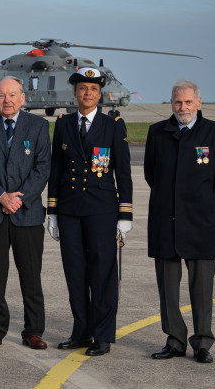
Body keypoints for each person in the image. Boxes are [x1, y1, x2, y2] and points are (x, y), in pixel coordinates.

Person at [145, 80, 215, 364]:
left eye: (187, 102)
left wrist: (207, 206)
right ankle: (174, 341)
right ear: (171, 103)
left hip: (202, 224)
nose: (182, 108)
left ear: (199, 102)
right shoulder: (158, 132)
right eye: (177, 102)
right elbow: (152, 174)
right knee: (168, 290)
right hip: (166, 223)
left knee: (202, 289)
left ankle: (202, 343)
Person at [47, 67, 132, 356]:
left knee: (102, 274)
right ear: (74, 92)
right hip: (70, 209)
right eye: (82, 88)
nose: (87, 93)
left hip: (101, 209)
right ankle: (81, 331)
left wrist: (125, 213)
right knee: (75, 273)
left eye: (93, 89)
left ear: (100, 93)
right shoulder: (64, 123)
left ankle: (103, 335)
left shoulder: (113, 125)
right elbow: (56, 169)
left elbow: (123, 172)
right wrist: (53, 211)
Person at [0, 76, 51, 351]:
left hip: (27, 214)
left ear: (22, 97)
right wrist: (1, 196)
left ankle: (34, 331)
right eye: (2, 95)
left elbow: (42, 168)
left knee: (31, 276)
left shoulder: (38, 126)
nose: (7, 100)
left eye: (12, 95)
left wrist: (20, 199)